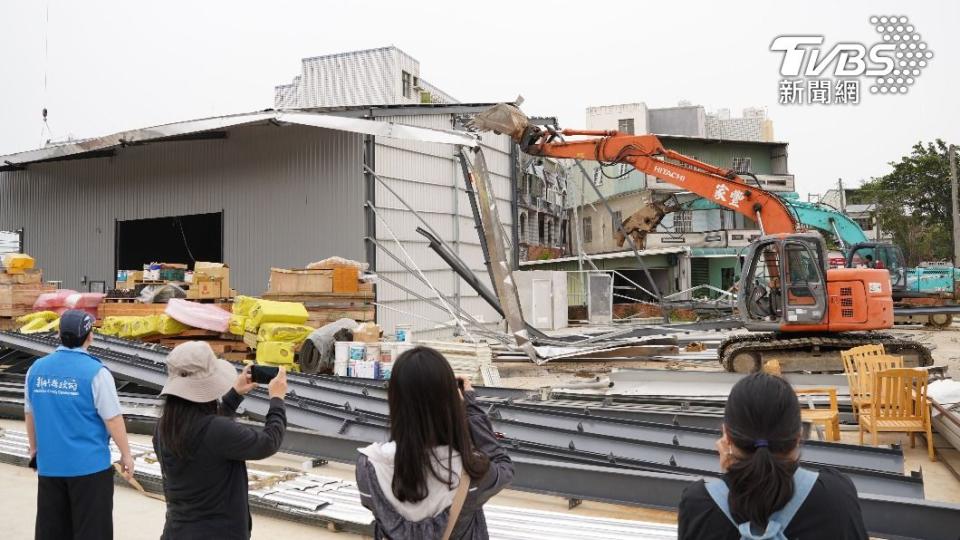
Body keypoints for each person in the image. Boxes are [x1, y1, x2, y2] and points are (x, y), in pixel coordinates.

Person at [678, 372, 867, 539]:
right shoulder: (836, 496)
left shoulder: (699, 505)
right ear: (798, 436)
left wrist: (731, 476)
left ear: (726, 436)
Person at [357, 346, 514, 539]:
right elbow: (503, 467)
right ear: (449, 402)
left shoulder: (369, 466)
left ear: (395, 399)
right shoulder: (471, 470)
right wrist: (470, 408)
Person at [153, 341, 288, 540]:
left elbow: (205, 434)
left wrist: (234, 396)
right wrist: (277, 400)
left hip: (177, 531)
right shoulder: (217, 431)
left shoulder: (165, 427)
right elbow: (268, 442)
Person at [25, 309, 134, 540]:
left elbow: (30, 414)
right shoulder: (96, 373)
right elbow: (113, 419)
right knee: (92, 531)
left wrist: (34, 450)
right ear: (90, 336)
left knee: (52, 531)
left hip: (50, 467)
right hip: (89, 470)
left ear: (58, 335)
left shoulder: (36, 370)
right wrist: (126, 455)